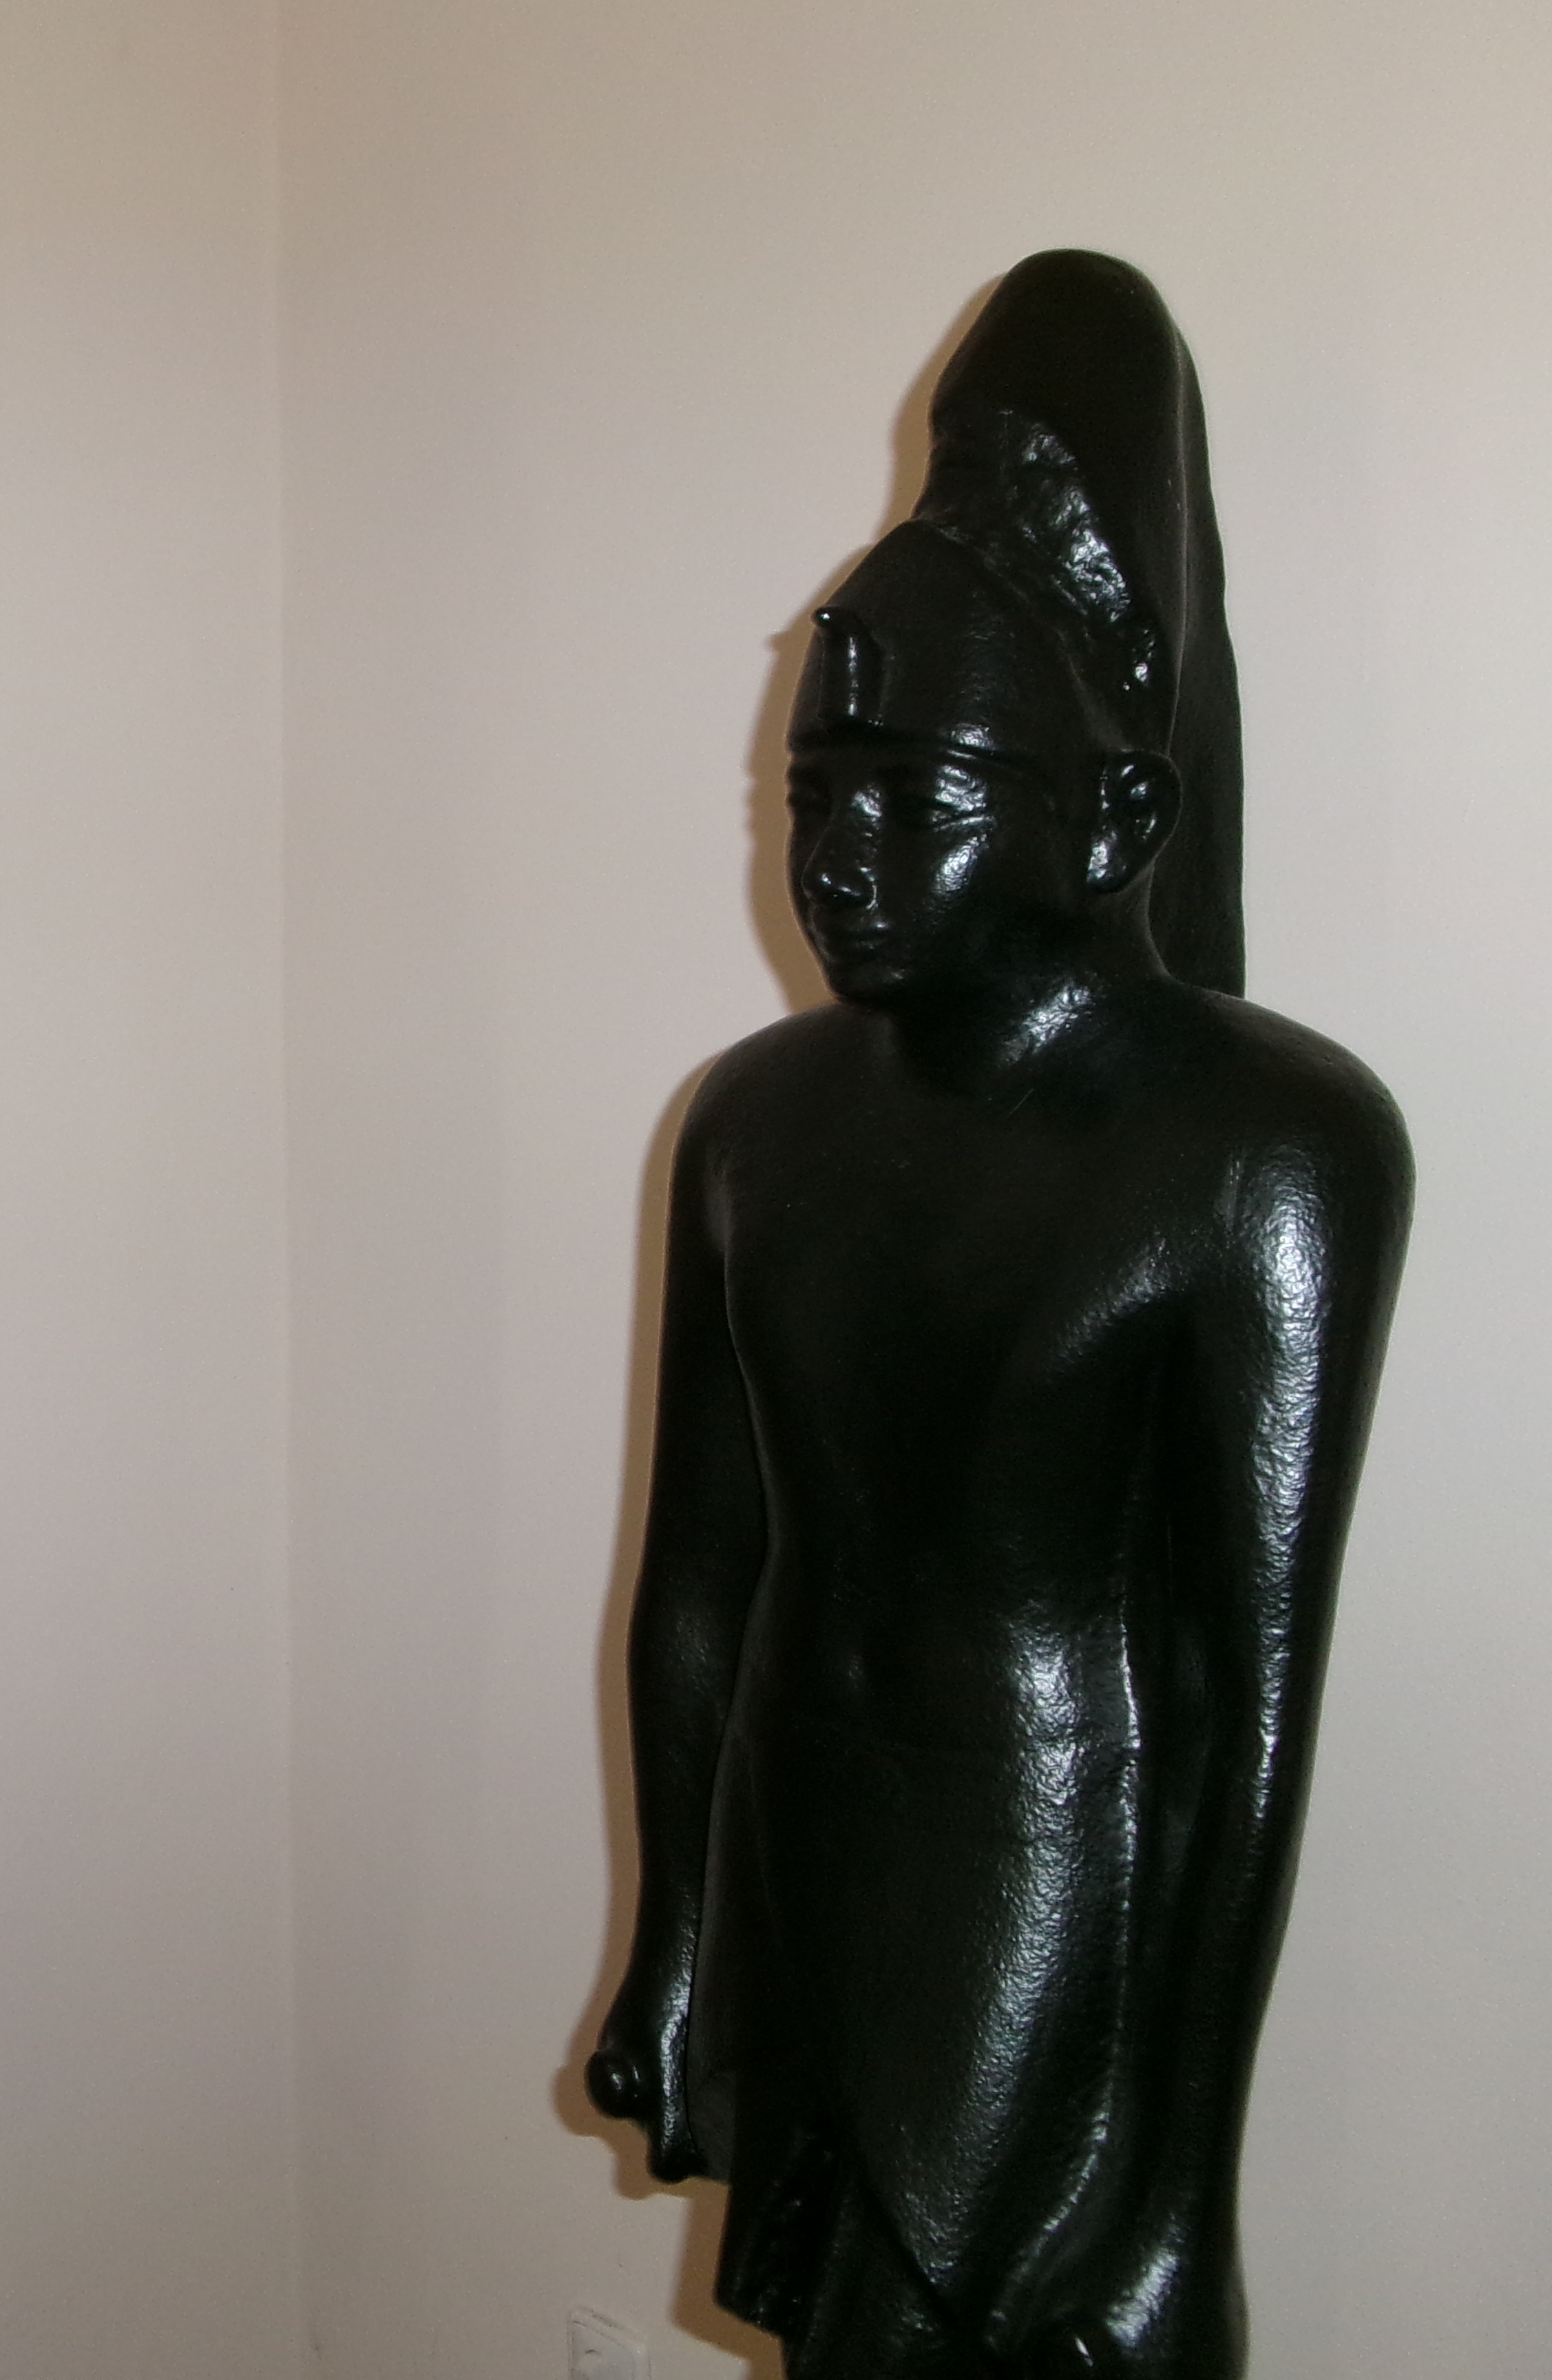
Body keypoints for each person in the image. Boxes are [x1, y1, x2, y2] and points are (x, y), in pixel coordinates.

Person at [584, 253, 1409, 2379]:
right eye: (810, 795)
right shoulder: (757, 1120)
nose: (840, 860)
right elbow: (704, 1579)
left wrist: (1176, 2192)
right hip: (801, 1842)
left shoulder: (1266, 1148)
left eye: (918, 799)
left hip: (1049, 1883)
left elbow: (1242, 1707)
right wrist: (676, 1939)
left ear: (1115, 814)